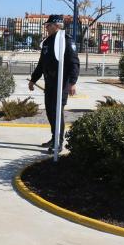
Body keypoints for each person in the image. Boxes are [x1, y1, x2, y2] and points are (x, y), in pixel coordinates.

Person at [28, 14, 80, 153]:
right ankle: (54, 137)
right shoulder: (47, 42)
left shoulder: (66, 41)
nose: (46, 27)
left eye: (48, 25)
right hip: (49, 83)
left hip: (62, 83)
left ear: (57, 25)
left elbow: (74, 63)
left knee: (57, 112)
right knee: (50, 112)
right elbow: (41, 63)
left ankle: (59, 142)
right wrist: (33, 79)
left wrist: (73, 82)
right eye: (46, 25)